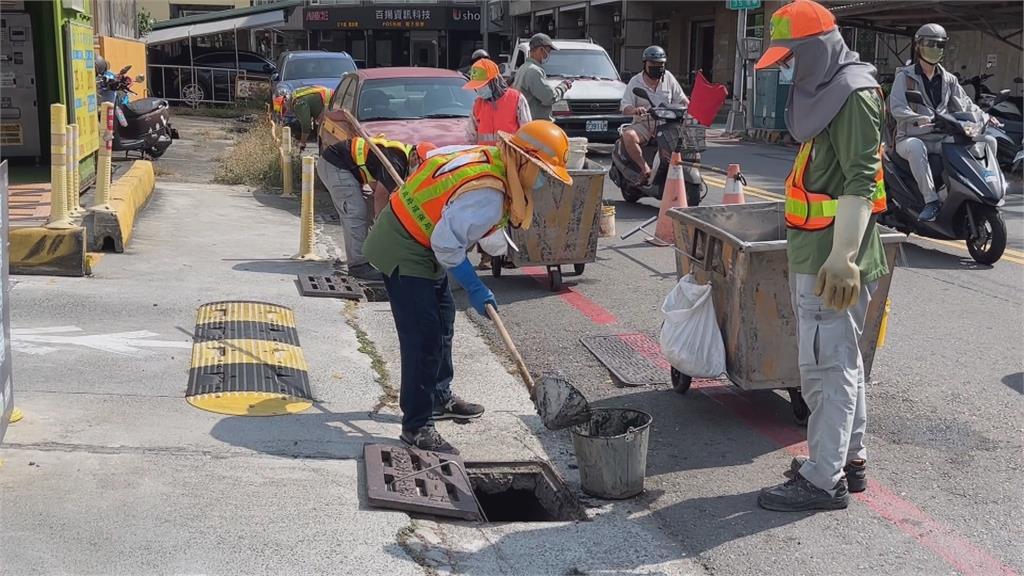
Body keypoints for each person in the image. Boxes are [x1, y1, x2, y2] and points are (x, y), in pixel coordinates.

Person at [361, 121, 573, 454]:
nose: (543, 180)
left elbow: (439, 176)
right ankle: (416, 426)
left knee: (444, 319)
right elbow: (447, 243)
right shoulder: (489, 194)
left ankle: (438, 397)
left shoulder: (490, 158)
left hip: (422, 239)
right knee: (424, 337)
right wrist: (474, 286)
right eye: (543, 171)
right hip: (404, 244)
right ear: (525, 161)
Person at [753, 0, 890, 512]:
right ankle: (846, 462)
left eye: (790, 57)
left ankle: (822, 478)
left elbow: (859, 179)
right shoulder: (831, 91)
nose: (786, 68)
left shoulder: (853, 95)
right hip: (821, 251)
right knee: (841, 362)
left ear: (814, 51)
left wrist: (844, 257)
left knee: (825, 368)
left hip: (833, 259)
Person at [889, 23, 1000, 222]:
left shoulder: (948, 79)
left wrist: (985, 116)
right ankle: (931, 201)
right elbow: (897, 108)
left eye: (939, 45)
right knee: (915, 147)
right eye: (930, 44)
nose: (935, 49)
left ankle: (971, 194)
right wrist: (919, 118)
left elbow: (965, 104)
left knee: (988, 142)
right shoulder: (905, 77)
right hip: (911, 136)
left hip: (941, 135)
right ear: (918, 46)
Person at [317, 138, 436, 281]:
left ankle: (369, 256)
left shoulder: (401, 158)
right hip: (335, 164)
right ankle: (358, 266)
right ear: (415, 157)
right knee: (355, 211)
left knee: (367, 210)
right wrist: (384, 229)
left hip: (348, 169)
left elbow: (377, 187)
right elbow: (380, 196)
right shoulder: (397, 161)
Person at [464, 57, 532, 269]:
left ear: (493, 82)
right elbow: (470, 135)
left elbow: (527, 132)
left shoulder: (516, 99)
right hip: (485, 166)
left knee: (514, 209)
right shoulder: (477, 105)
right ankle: (486, 254)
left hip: (512, 166)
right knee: (485, 210)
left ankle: (512, 253)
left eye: (481, 86)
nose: (478, 91)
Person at [619, 46, 689, 184]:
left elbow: (682, 100)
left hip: (667, 125)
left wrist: (691, 107)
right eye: (653, 65)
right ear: (645, 64)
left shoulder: (669, 78)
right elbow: (624, 107)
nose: (657, 67)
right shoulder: (635, 81)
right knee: (628, 136)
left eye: (660, 64)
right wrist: (635, 110)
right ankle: (644, 168)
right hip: (645, 124)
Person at [513, 33, 572, 121]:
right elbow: (549, 98)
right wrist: (563, 86)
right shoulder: (534, 71)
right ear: (541, 49)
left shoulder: (523, 68)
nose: (548, 54)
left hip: (526, 123)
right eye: (548, 51)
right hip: (536, 125)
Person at [289, 85, 332, 152]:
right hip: (332, 99)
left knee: (322, 135)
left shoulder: (298, 103)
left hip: (331, 103)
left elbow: (306, 125)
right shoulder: (297, 94)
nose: (287, 111)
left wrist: (302, 143)